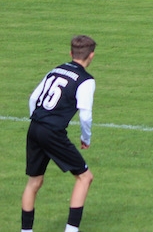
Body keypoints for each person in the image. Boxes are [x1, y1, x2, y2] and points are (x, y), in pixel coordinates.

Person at [22, 35, 97, 232]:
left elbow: (33, 98)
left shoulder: (56, 70)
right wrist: (85, 138)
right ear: (91, 55)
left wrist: (37, 122)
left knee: (34, 181)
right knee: (85, 177)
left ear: (71, 53)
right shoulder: (86, 80)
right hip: (52, 132)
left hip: (35, 127)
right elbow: (85, 115)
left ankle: (25, 230)